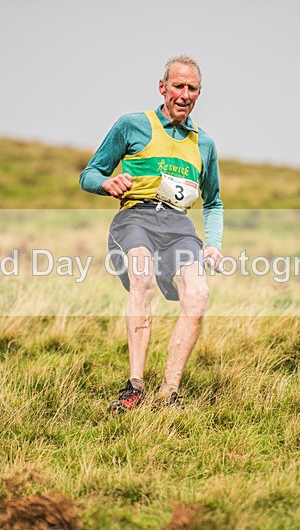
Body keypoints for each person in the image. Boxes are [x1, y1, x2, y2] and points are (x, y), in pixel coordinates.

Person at [79, 55, 223, 411]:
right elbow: (89, 174)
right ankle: (135, 388)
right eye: (178, 86)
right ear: (163, 88)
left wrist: (215, 245)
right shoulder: (131, 125)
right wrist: (108, 183)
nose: (184, 94)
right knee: (142, 280)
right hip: (136, 219)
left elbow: (214, 202)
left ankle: (168, 392)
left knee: (199, 293)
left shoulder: (205, 145)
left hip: (178, 226)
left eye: (192, 88)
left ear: (199, 94)